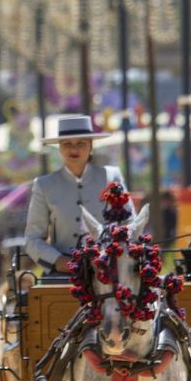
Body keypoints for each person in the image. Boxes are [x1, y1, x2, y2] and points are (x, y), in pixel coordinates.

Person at [24, 114, 127, 274]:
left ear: (91, 146)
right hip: (63, 275)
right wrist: (58, 261)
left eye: (81, 143)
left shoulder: (111, 177)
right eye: (67, 144)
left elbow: (129, 223)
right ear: (59, 147)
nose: (74, 149)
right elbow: (33, 239)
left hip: (109, 271)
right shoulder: (44, 185)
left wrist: (112, 254)